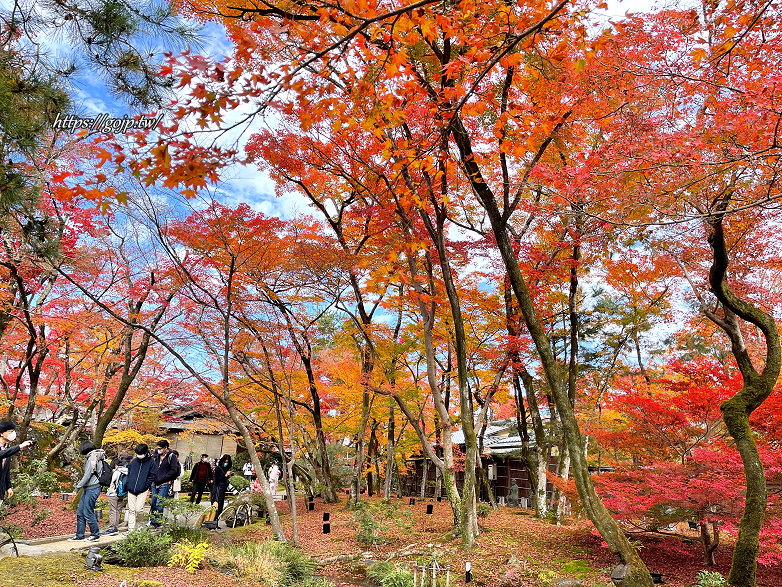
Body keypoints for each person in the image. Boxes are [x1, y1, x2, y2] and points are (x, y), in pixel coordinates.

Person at [68, 440, 106, 542]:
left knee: (88, 512)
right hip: (88, 488)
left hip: (93, 488)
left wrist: (77, 488)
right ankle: (79, 535)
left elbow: (87, 475)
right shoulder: (94, 456)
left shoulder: (92, 458)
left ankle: (95, 534)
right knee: (80, 512)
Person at [0, 421, 35, 505]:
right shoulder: (7, 451)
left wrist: (8, 487)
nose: (13, 434)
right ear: (1, 433)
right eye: (10, 432)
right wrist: (20, 446)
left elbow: (6, 471)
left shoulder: (7, 449)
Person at [124, 443, 156, 532]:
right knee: (131, 510)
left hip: (142, 489)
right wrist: (128, 484)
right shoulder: (134, 461)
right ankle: (131, 530)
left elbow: (152, 476)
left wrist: (145, 486)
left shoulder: (151, 462)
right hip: (131, 489)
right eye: (137, 453)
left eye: (140, 453)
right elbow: (129, 473)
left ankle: (141, 524)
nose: (139, 455)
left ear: (145, 453)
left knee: (139, 509)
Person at [148, 439, 179, 528]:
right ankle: (153, 520)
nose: (159, 449)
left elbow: (173, 471)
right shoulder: (155, 455)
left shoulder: (171, 456)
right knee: (153, 502)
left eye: (161, 448)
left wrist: (162, 478)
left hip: (165, 482)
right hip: (154, 482)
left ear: (166, 448)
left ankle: (157, 522)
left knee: (159, 503)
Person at [103, 454, 131, 535]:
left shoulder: (116, 472)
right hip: (122, 493)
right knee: (118, 510)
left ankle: (112, 528)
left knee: (113, 511)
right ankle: (116, 527)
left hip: (114, 494)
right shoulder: (127, 471)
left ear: (115, 465)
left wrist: (109, 491)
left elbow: (113, 483)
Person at [211, 454, 232, 518]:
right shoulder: (218, 468)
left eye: (227, 462)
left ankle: (217, 517)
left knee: (221, 503)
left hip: (223, 488)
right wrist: (225, 475)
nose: (226, 463)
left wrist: (228, 476)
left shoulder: (226, 469)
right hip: (218, 487)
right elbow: (217, 479)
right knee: (216, 502)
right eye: (225, 461)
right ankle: (213, 517)